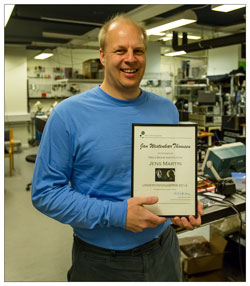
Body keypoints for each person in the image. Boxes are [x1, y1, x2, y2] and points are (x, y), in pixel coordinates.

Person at [32, 14, 203, 282]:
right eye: (120, 50)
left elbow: (168, 172)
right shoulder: (68, 114)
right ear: (102, 55)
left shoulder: (166, 109)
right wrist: (118, 214)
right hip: (102, 261)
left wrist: (182, 202)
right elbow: (45, 193)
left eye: (138, 51)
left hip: (164, 250)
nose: (130, 58)